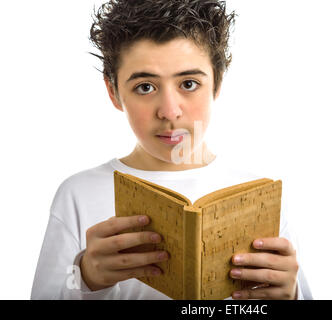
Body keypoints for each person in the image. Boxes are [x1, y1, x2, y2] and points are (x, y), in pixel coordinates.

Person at [31, 0, 312, 300]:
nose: (169, 111)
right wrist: (86, 278)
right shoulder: (78, 194)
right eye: (145, 87)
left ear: (217, 84)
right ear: (113, 92)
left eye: (189, 83)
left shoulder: (262, 198)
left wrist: (290, 295)